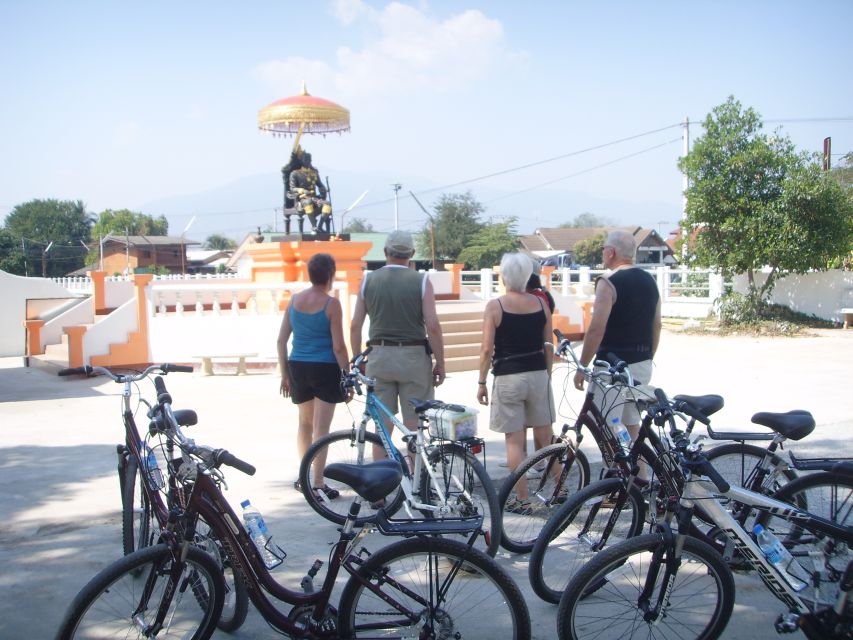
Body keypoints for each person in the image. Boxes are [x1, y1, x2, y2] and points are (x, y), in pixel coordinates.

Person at [350, 230, 446, 462]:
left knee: (382, 426)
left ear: (385, 253)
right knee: (414, 425)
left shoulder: (368, 280)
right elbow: (432, 326)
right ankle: (416, 484)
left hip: (378, 356)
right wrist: (440, 363)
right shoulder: (421, 281)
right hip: (413, 356)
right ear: (411, 254)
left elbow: (355, 325)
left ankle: (381, 487)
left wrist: (357, 359)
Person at [477, 252, 555, 513]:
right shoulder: (541, 304)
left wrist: (481, 381)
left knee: (515, 440)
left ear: (504, 276)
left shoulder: (495, 306)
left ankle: (522, 499)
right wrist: (548, 373)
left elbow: (487, 349)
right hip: (537, 373)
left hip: (508, 375)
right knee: (546, 436)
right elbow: (548, 345)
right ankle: (561, 487)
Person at [572, 229, 662, 453]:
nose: (603, 253)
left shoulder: (609, 281)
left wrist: (582, 365)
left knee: (607, 425)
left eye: (604, 249)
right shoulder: (649, 280)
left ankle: (618, 479)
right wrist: (649, 356)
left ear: (611, 252)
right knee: (631, 424)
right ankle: (638, 479)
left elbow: (596, 329)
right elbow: (657, 324)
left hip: (613, 366)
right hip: (641, 362)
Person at [277, 253, 349, 499]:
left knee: (304, 424)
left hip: (298, 366)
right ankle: (317, 482)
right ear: (331, 274)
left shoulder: (294, 300)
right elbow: (339, 346)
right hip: (325, 368)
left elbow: (281, 340)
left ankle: (303, 477)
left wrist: (284, 373)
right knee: (322, 429)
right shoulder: (331, 304)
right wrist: (347, 374)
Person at [288, 151, 332, 233]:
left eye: (309, 160)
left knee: (327, 204)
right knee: (308, 202)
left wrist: (323, 189)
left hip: (315, 198)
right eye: (306, 160)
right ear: (302, 161)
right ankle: (313, 226)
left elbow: (320, 184)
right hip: (302, 199)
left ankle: (319, 226)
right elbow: (292, 188)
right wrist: (302, 190)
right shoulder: (295, 173)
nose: (308, 162)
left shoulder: (314, 173)